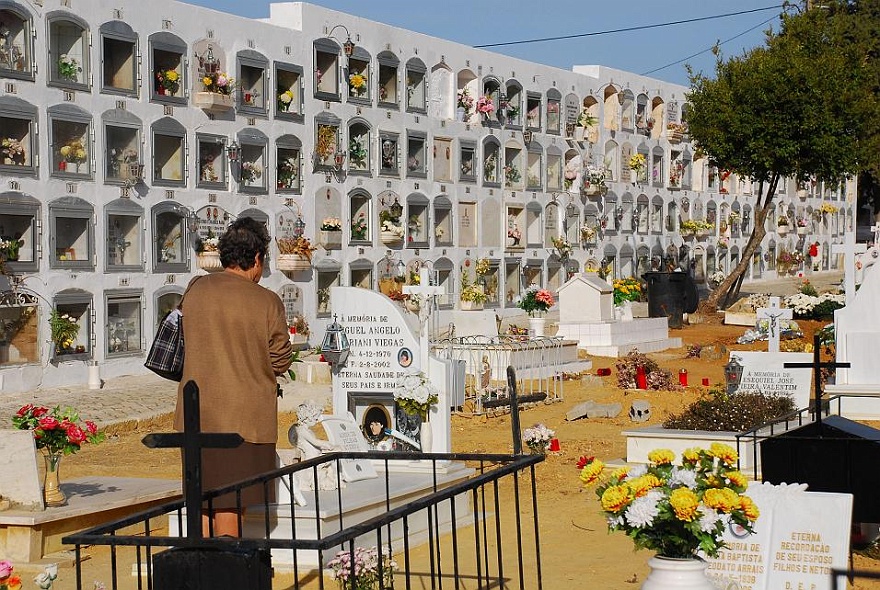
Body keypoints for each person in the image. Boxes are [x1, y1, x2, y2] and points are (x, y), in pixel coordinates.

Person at [174, 217, 293, 537]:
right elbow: (281, 359)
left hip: (196, 415)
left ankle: (200, 570)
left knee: (201, 499)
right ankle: (228, 574)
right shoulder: (267, 301)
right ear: (256, 258)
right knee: (229, 501)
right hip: (243, 419)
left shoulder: (196, 289)